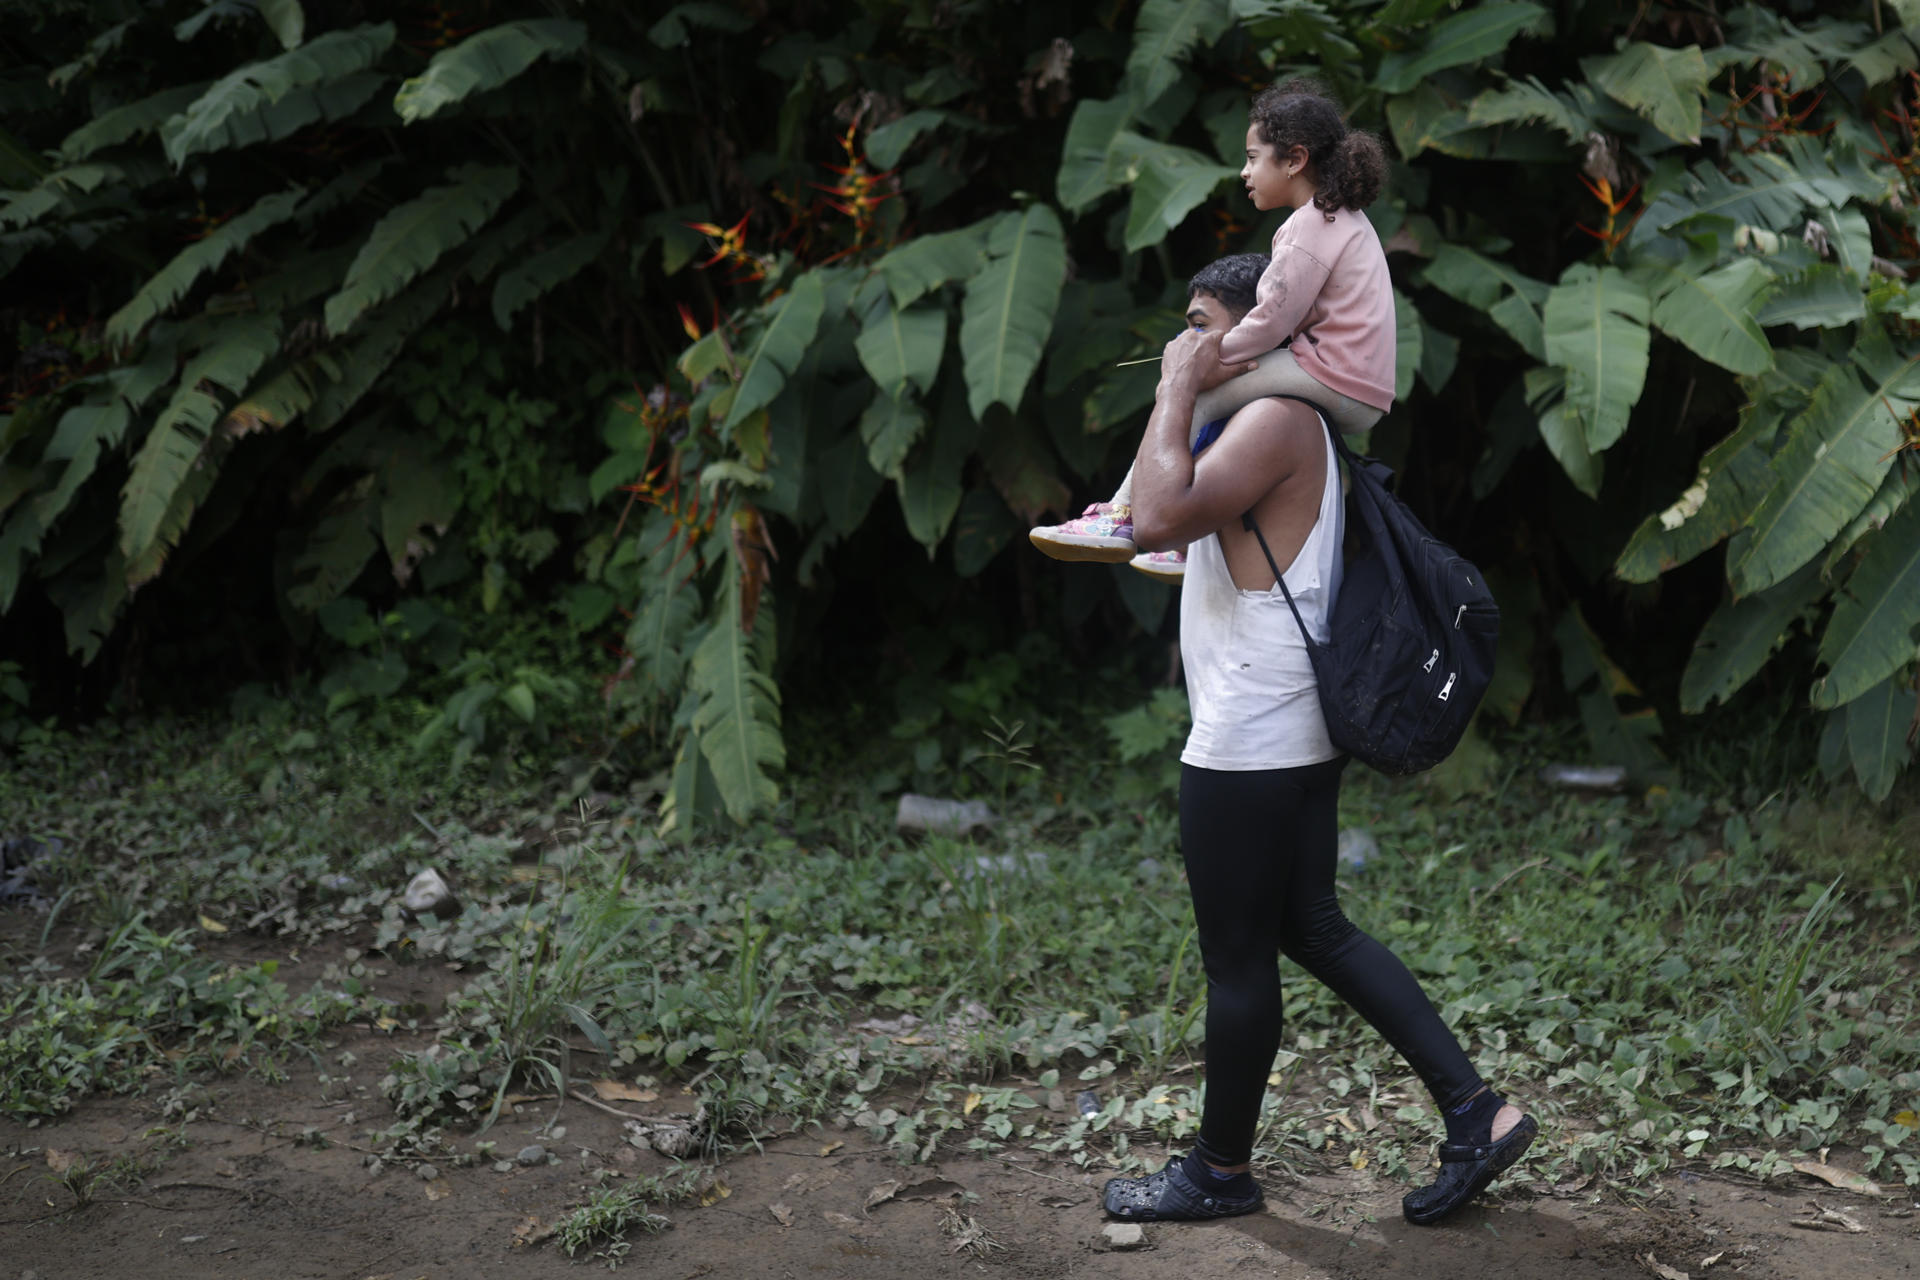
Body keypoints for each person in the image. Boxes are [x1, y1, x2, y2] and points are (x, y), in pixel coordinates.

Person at [1092, 276, 1536, 1226]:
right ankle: (1479, 1113)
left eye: (1202, 328)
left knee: (1239, 961)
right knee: (1312, 927)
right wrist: (1185, 398)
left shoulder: (1275, 423)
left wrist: (1176, 388)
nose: (1186, 344)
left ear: (1258, 334)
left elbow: (1161, 517)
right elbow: (1151, 516)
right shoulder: (1278, 420)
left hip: (1252, 735)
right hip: (1287, 720)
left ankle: (1218, 1173)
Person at [1029, 79, 1396, 582]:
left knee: (1191, 394)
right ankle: (1186, 538)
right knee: (1215, 394)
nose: (1244, 172)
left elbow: (1271, 320)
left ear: (1294, 160)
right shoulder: (1347, 218)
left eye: (1252, 158)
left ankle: (1120, 516)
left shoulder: (1309, 225)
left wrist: (1207, 359)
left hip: (1333, 375)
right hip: (1357, 382)